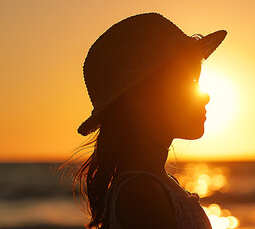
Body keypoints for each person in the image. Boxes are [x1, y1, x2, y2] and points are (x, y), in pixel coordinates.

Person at [63, 12, 227, 229]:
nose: (204, 95)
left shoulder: (155, 184)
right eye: (188, 80)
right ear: (139, 96)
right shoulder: (141, 194)